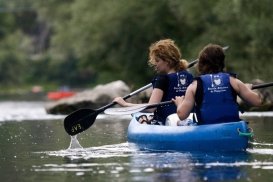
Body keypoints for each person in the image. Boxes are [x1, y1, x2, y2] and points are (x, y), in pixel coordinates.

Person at [173, 43, 262, 125]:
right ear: (222, 63)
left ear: (201, 64)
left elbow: (182, 115)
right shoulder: (234, 81)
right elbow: (257, 101)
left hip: (207, 131)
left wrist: (180, 103)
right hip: (232, 130)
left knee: (180, 122)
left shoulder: (194, 86)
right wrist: (247, 89)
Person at [114, 39, 193, 125]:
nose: (155, 64)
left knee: (137, 115)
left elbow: (151, 108)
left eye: (157, 60)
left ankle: (144, 120)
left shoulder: (162, 79)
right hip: (187, 120)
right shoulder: (189, 77)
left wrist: (125, 104)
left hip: (166, 123)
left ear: (167, 60)